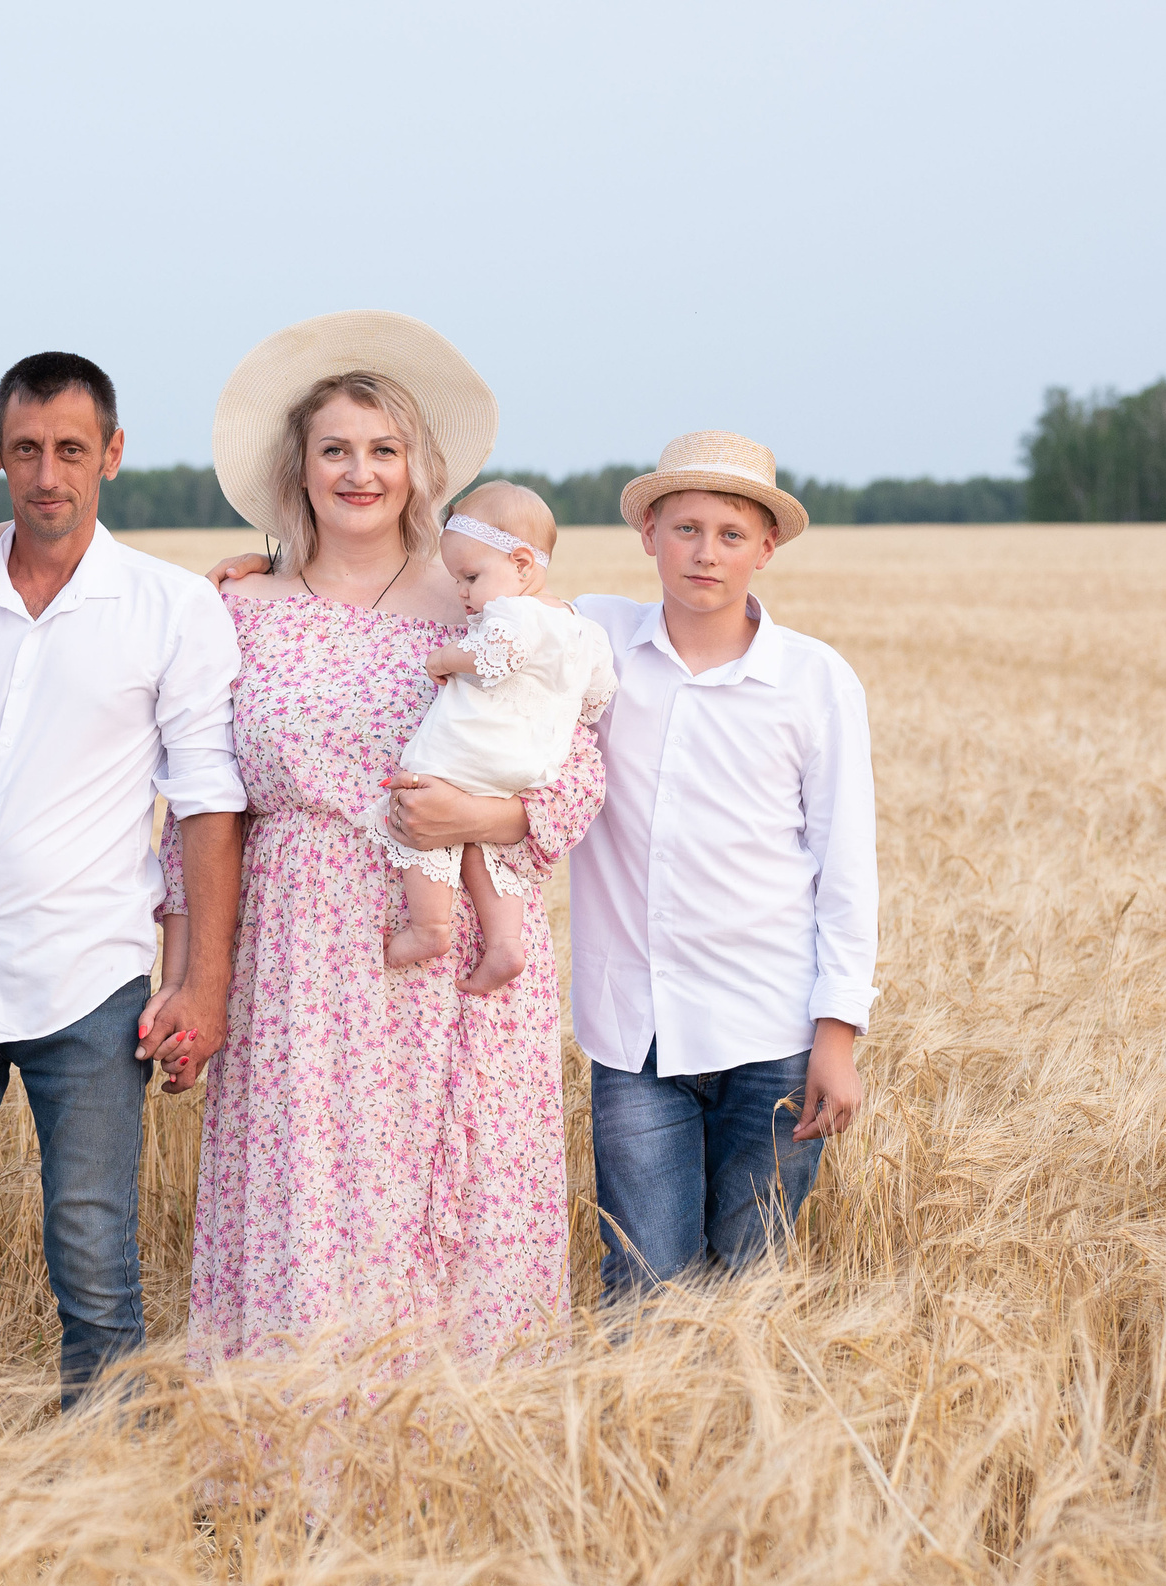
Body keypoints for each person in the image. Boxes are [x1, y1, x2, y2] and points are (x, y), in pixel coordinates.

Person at [170, 311, 604, 1367]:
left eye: (382, 449)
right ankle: (293, 1462)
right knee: (308, 1197)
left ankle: (451, 1477)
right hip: (294, 951)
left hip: (454, 942)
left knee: (455, 1193)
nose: (358, 471)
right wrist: (188, 970)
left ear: (419, 469)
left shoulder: (483, 606)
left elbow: (576, 763)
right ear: (298, 468)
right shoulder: (233, 608)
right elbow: (194, 797)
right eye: (334, 450)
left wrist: (487, 818)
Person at [0, 351, 245, 1443]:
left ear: (111, 454)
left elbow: (207, 802)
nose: (47, 473)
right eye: (24, 450)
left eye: (71, 449)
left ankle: (96, 1514)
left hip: (89, 976)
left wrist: (200, 982)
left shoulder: (168, 608)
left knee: (93, 1255)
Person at [569, 432, 878, 1296]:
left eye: (731, 534)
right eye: (686, 528)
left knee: (750, 1287)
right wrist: (267, 567)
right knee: (642, 1284)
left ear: (766, 549)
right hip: (635, 1028)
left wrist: (837, 1036)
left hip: (772, 1031)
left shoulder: (814, 680)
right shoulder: (593, 641)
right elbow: (470, 583)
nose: (706, 552)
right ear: (648, 534)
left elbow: (844, 867)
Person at [369, 479, 617, 993]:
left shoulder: (512, 611)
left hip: (468, 750)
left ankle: (428, 926)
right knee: (486, 846)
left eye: (470, 575)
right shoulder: (580, 625)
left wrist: (447, 658)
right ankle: (505, 944)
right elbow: (598, 695)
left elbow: (494, 656)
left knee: (418, 809)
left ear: (522, 564)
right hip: (531, 764)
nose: (461, 591)